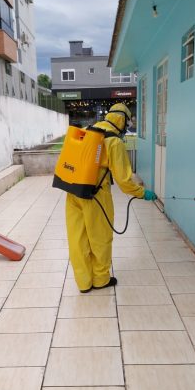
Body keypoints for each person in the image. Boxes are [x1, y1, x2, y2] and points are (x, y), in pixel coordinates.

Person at [65, 103, 157, 293]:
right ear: (122, 121)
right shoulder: (113, 141)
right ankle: (100, 279)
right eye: (127, 123)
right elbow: (124, 181)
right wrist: (141, 193)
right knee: (100, 238)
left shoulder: (87, 131)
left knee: (77, 239)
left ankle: (83, 282)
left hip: (73, 192)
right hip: (96, 197)